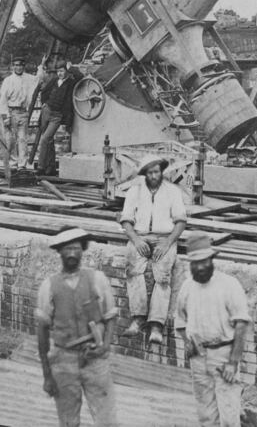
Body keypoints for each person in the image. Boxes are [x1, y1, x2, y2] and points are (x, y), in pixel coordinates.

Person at [36, 227, 118, 427]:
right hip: (64, 360)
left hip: (94, 359)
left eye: (76, 248)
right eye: (67, 249)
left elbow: (111, 316)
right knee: (68, 420)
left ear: (82, 250)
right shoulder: (48, 286)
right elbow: (42, 332)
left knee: (106, 419)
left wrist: (105, 346)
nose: (72, 254)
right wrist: (47, 375)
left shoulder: (97, 279)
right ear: (60, 252)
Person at [175, 232, 250, 427]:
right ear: (190, 264)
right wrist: (189, 343)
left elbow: (241, 325)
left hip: (224, 355)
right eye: (195, 263)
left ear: (212, 260)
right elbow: (180, 321)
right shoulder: (187, 287)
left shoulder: (229, 285)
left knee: (229, 415)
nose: (200, 267)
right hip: (199, 358)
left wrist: (233, 362)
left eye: (204, 261)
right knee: (206, 416)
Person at [120, 155, 187, 345]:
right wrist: (135, 239)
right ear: (145, 174)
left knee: (163, 276)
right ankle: (138, 318)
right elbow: (126, 219)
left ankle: (156, 324)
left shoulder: (172, 191)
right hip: (140, 236)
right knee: (133, 269)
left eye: (157, 171)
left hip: (164, 238)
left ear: (161, 171)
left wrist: (167, 242)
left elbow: (181, 221)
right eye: (150, 172)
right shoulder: (135, 191)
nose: (154, 175)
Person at [37, 59, 78, 176]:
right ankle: (50, 168)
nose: (59, 73)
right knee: (49, 141)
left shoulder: (71, 82)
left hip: (57, 115)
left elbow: (80, 76)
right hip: (47, 111)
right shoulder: (54, 80)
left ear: (66, 71)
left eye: (62, 71)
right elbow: (44, 91)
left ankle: (40, 167)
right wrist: (44, 104)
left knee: (45, 139)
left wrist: (72, 68)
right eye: (58, 71)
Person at [0, 56, 40, 168]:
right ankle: (13, 163)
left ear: (23, 66)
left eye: (20, 65)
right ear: (13, 66)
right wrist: (6, 116)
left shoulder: (28, 78)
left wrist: (42, 65)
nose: (18, 67)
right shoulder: (8, 80)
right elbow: (3, 100)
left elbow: (38, 78)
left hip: (23, 113)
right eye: (16, 65)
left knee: (22, 139)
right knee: (10, 140)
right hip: (11, 112)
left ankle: (22, 165)